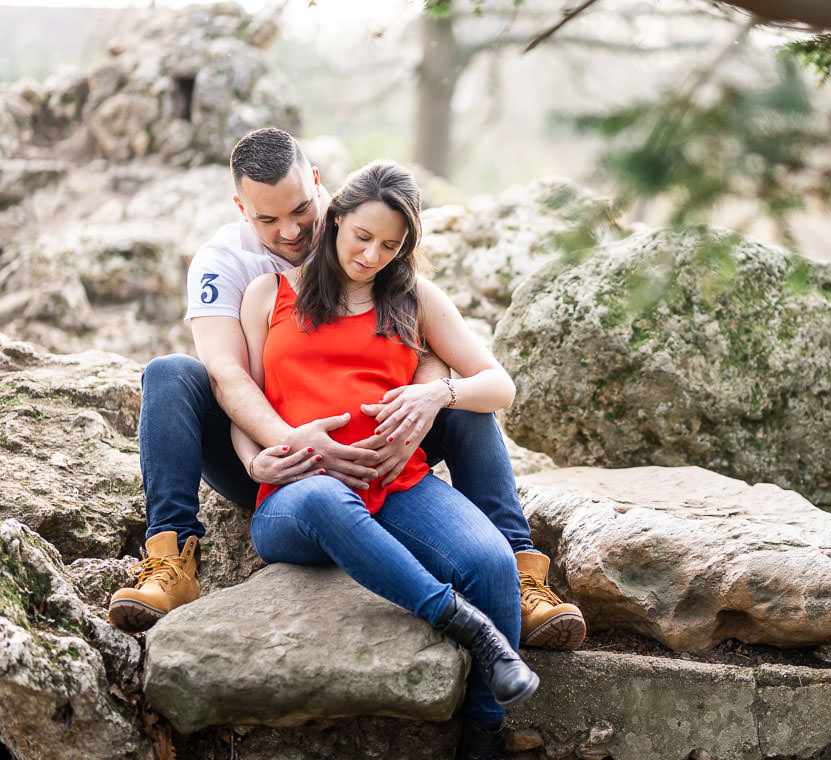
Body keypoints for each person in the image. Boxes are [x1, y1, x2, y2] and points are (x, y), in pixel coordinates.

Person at [107, 128, 585, 657]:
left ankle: (519, 572)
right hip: (278, 454)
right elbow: (229, 376)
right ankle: (172, 558)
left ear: (320, 189)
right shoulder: (226, 264)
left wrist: (425, 404)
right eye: (267, 219)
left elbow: (422, 340)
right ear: (241, 208)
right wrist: (280, 449)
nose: (290, 232)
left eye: (300, 210)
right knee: (171, 372)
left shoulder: (365, 226)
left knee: (462, 399)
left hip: (376, 444)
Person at [236, 160, 531, 758]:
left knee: (493, 564)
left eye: (390, 245)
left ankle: (484, 732)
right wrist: (253, 459)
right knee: (325, 496)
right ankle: (462, 622)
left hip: (397, 485)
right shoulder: (270, 294)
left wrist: (436, 391)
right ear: (335, 219)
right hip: (297, 499)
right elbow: (242, 393)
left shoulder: (414, 298)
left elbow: (499, 386)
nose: (372, 255)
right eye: (362, 237)